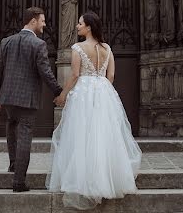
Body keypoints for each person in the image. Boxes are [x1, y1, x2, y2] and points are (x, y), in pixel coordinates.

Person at [47, 12, 141, 209]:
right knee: (103, 135)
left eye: (80, 23)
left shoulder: (78, 48)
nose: (77, 26)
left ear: (89, 27)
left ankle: (85, 179)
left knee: (83, 134)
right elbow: (111, 76)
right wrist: (101, 88)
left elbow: (74, 75)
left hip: (84, 92)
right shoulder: (107, 48)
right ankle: (106, 180)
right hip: (103, 90)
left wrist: (63, 94)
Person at [0, 7, 63, 193]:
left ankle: (14, 164)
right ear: (33, 21)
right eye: (42, 21)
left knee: (11, 126)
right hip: (26, 98)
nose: (44, 24)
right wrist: (58, 91)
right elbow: (45, 72)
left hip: (7, 97)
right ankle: (19, 181)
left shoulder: (6, 42)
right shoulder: (38, 44)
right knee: (24, 136)